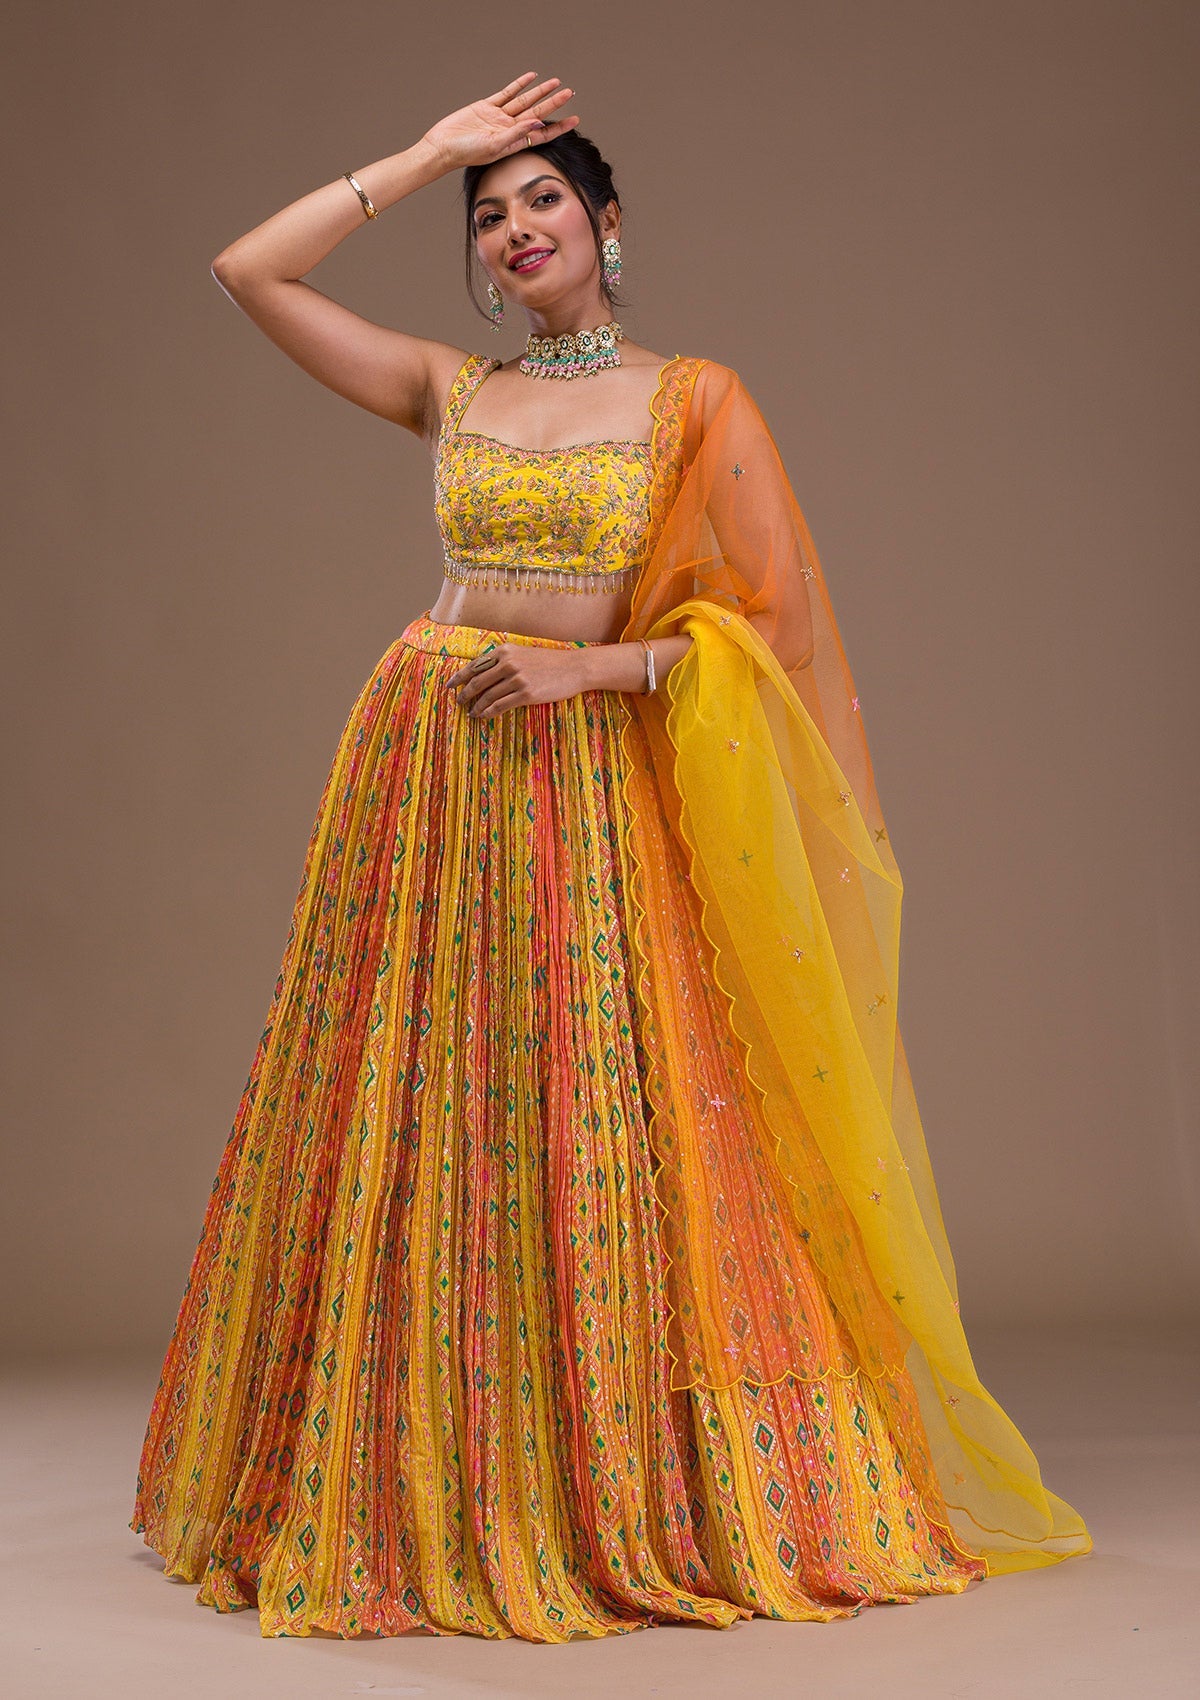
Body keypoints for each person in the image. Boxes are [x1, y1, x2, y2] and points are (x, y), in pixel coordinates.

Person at [129, 72, 1092, 1643]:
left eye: (543, 199)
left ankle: (607, 1487)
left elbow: (774, 632)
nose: (516, 226)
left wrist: (599, 670)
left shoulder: (691, 399)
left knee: (596, 1110)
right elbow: (250, 271)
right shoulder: (451, 388)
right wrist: (425, 154)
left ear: (606, 223)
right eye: (488, 213)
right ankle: (415, 1475)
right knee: (415, 1104)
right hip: (426, 762)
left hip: (582, 765)